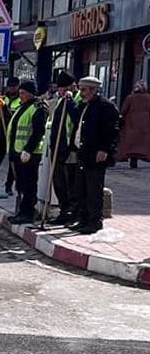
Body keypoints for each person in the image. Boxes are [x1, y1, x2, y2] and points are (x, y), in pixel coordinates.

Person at [69, 76, 120, 235]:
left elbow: (112, 131)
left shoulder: (105, 107)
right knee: (81, 188)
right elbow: (77, 122)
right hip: (83, 151)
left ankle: (94, 221)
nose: (81, 93)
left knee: (93, 189)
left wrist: (104, 149)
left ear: (93, 90)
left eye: (83, 89)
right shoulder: (84, 105)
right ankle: (83, 219)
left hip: (96, 153)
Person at [6, 80, 48, 224]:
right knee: (21, 184)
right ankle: (22, 211)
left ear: (31, 93)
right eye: (20, 93)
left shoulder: (38, 108)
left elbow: (38, 131)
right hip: (18, 152)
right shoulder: (22, 106)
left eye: (23, 93)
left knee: (29, 184)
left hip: (29, 154)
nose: (20, 95)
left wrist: (28, 150)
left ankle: (28, 213)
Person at [44, 71, 80, 225]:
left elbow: (77, 118)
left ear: (73, 86)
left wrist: (70, 102)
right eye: (60, 89)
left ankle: (73, 212)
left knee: (69, 182)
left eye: (65, 89)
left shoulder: (76, 100)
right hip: (57, 148)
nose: (62, 92)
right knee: (59, 182)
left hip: (70, 149)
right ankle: (64, 210)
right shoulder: (59, 101)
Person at [117, 81, 149, 170]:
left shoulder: (130, 98)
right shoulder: (148, 98)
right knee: (142, 144)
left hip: (131, 124)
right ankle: (140, 158)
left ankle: (132, 161)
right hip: (145, 125)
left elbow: (123, 110)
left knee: (131, 144)